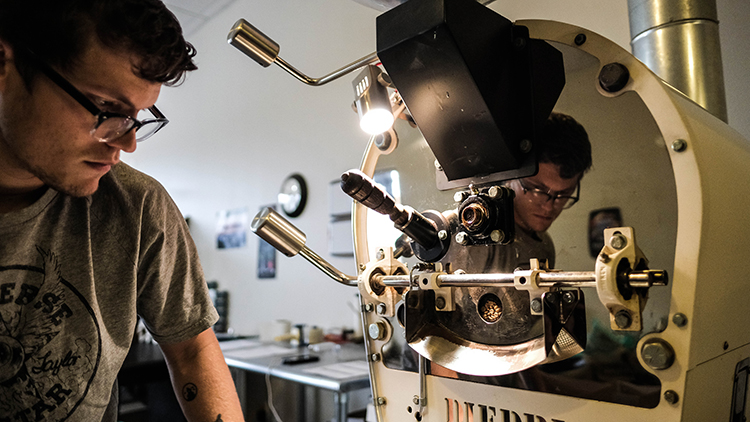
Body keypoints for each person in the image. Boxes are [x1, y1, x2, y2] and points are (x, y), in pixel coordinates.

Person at [0, 1, 244, 421]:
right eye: (107, 109)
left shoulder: (138, 207)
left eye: (136, 117)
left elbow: (192, 349)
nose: (127, 142)